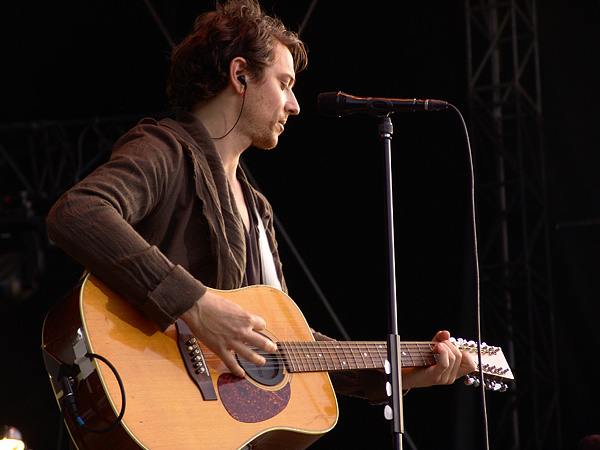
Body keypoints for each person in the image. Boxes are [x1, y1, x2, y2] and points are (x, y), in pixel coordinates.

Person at [46, 0, 475, 407]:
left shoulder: (257, 208)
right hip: (151, 397)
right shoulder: (165, 148)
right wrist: (194, 304)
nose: (295, 104)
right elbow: (79, 212)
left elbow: (285, 342)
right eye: (284, 83)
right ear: (240, 75)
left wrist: (394, 373)